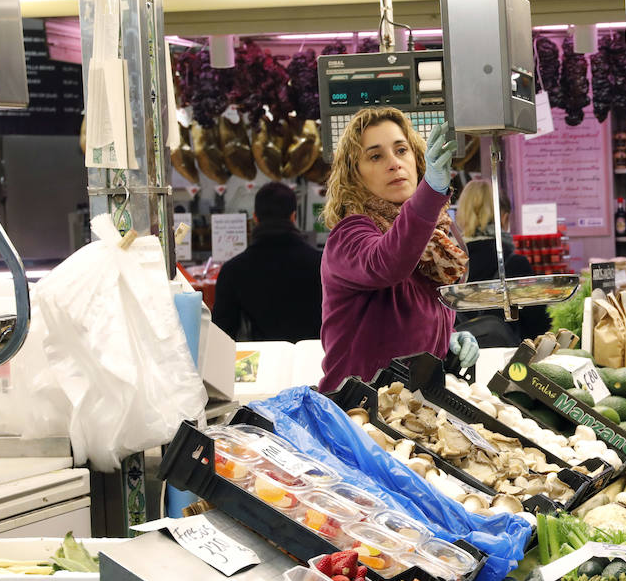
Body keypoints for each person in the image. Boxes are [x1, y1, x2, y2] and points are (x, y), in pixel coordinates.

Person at [318, 107, 478, 392]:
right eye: (376, 156)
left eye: (401, 150)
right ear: (355, 176)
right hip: (360, 412)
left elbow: (411, 321)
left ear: (417, 159)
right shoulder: (348, 236)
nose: (394, 163)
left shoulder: (432, 237)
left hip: (413, 408)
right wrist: (430, 191)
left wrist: (448, 338)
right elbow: (388, 263)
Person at [211, 182, 322, 342]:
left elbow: (221, 337)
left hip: (259, 364)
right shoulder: (321, 264)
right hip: (312, 363)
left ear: (255, 218)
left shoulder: (233, 271)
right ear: (293, 217)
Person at [453, 178, 548, 347]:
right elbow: (539, 328)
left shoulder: (448, 265)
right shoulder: (515, 264)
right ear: (504, 218)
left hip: (461, 364)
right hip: (509, 365)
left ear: (462, 216)